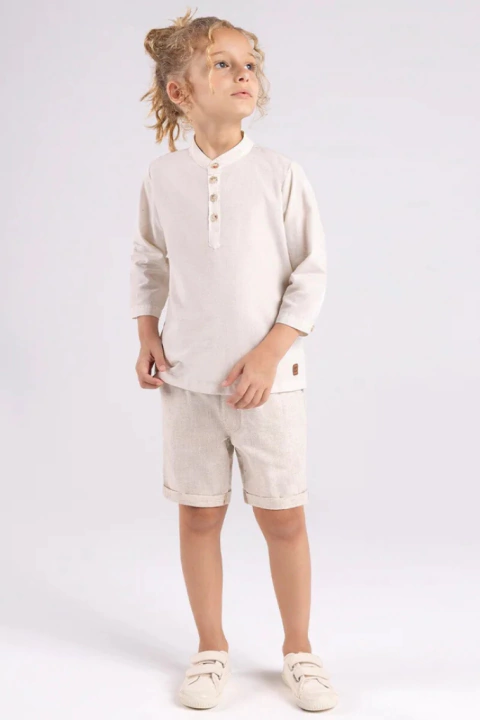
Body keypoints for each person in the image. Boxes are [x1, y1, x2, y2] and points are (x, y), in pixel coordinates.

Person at [130, 7, 338, 712]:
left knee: (284, 518)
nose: (244, 73)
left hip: (270, 388)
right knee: (199, 517)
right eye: (223, 63)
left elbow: (310, 273)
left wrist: (270, 355)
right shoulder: (162, 177)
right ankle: (210, 647)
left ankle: (299, 650)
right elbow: (149, 262)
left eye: (250, 63)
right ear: (180, 90)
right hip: (187, 382)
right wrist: (146, 334)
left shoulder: (280, 174)